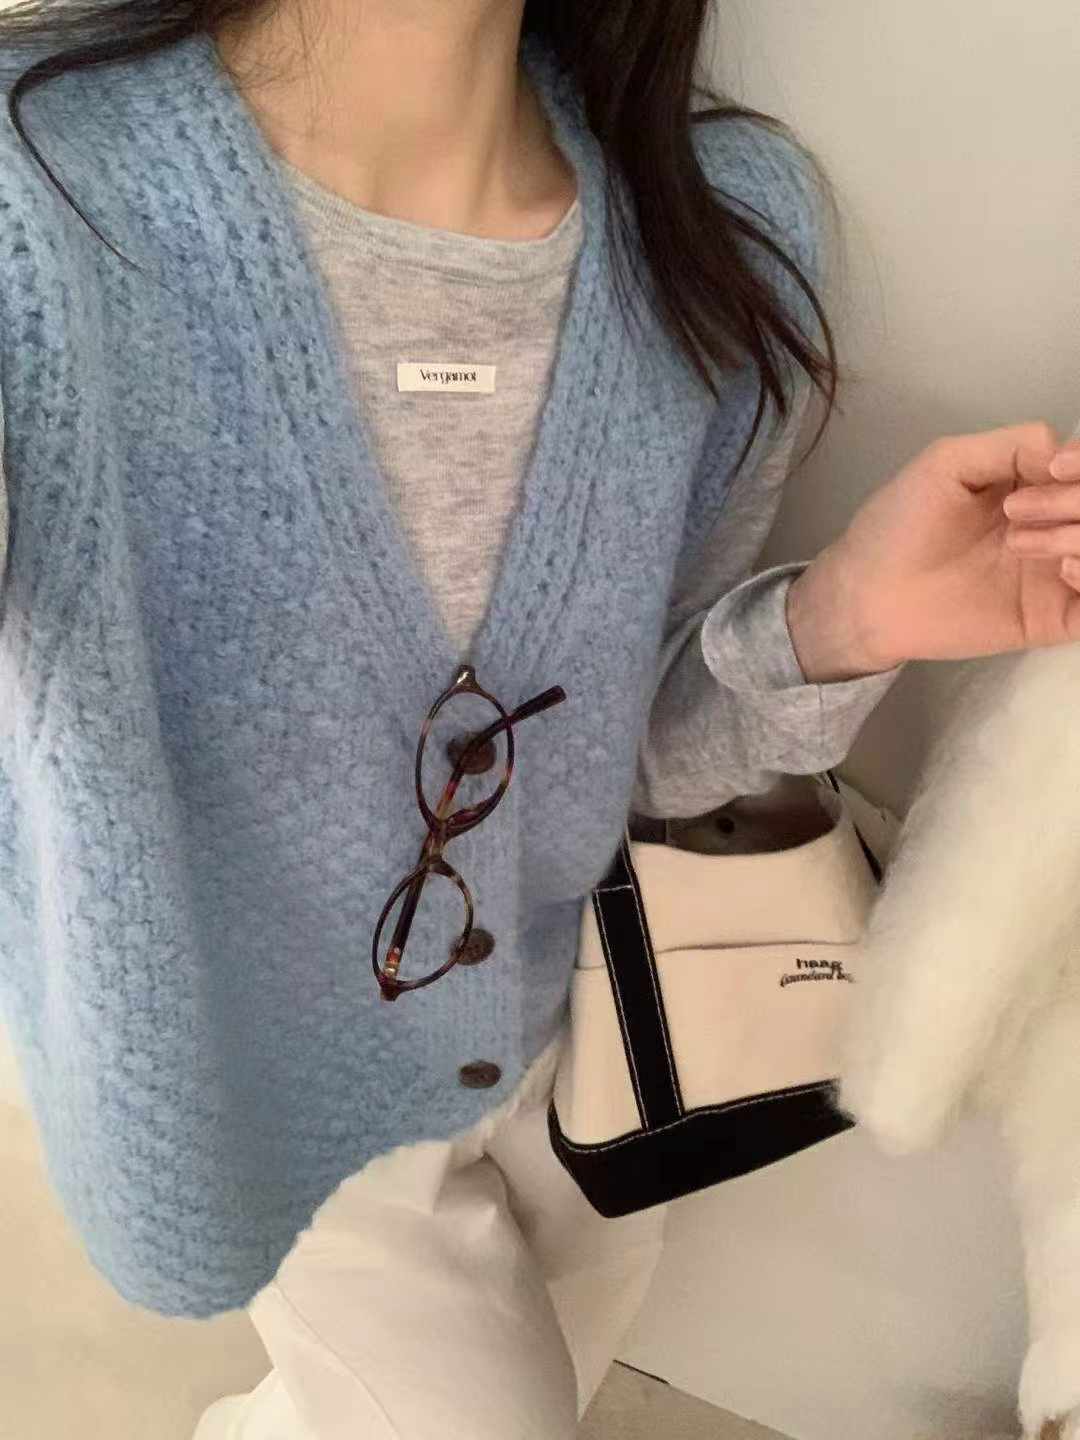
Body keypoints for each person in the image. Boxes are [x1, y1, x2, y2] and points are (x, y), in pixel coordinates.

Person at [0, 2, 1076, 1437]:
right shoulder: (34, 196)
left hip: (577, 1042)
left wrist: (841, 623)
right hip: (262, 1088)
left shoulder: (723, 222)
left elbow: (634, 752)